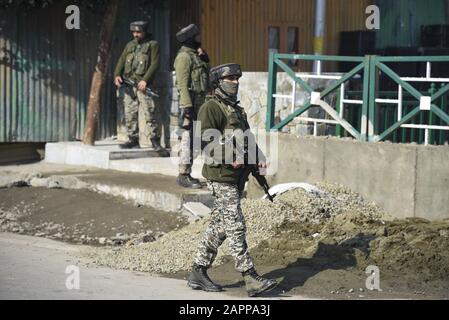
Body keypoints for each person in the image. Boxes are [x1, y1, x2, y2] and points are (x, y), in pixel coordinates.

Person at [187, 63, 278, 297]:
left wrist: (258, 159)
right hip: (221, 176)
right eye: (231, 78)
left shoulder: (236, 110)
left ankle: (198, 270)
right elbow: (204, 141)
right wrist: (230, 157)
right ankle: (250, 276)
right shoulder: (211, 107)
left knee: (221, 226)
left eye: (238, 78)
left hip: (236, 178)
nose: (235, 82)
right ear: (218, 82)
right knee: (236, 224)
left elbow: (246, 138)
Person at [113, 21, 162, 150]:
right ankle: (133, 140)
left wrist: (145, 80)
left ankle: (155, 141)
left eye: (138, 32)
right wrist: (117, 74)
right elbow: (122, 60)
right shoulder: (130, 45)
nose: (136, 34)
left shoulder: (153, 45)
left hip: (145, 85)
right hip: (129, 85)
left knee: (149, 113)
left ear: (145, 32)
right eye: (134, 32)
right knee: (130, 113)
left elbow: (155, 64)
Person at [173, 24, 210, 189]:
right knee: (186, 141)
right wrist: (187, 107)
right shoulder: (184, 58)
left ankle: (188, 172)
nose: (199, 39)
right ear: (190, 38)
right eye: (196, 36)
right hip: (190, 106)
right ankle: (183, 175)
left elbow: (204, 78)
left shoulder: (195, 55)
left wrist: (205, 60)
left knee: (196, 141)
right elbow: (182, 84)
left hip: (200, 105)